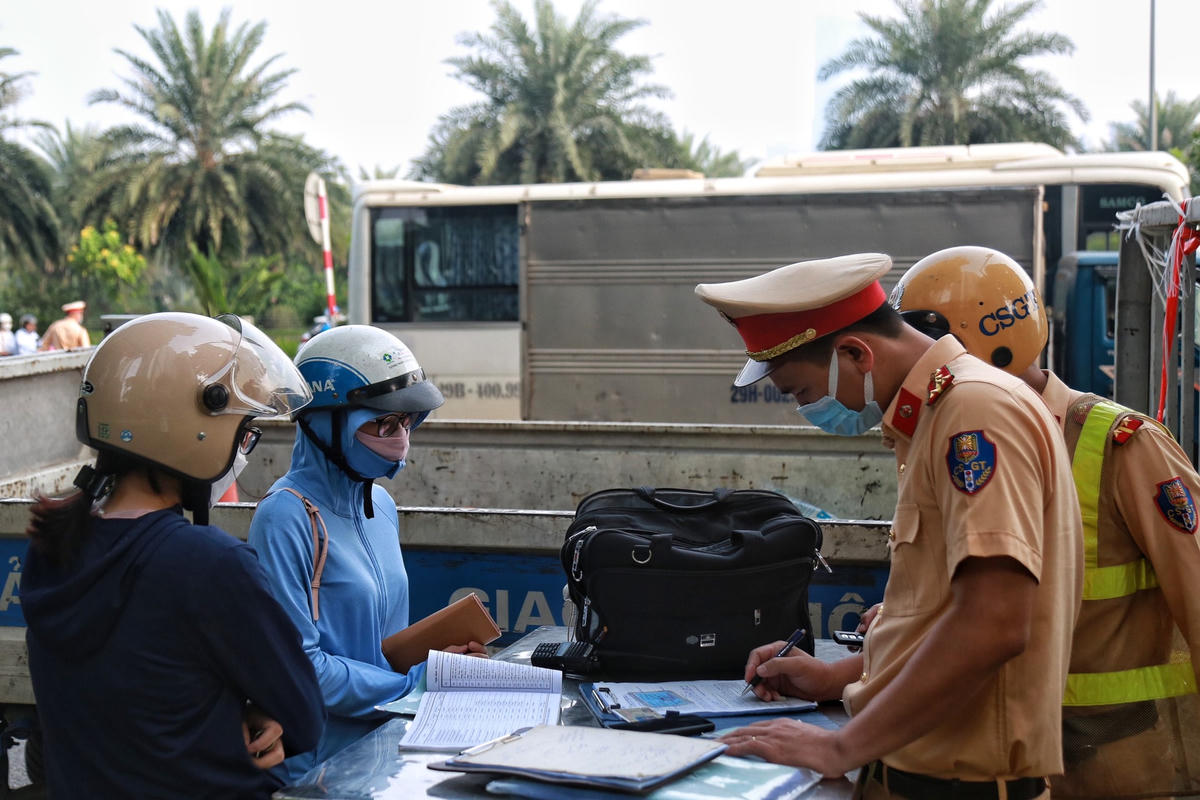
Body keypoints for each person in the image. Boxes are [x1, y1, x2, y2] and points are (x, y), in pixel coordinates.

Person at [694, 253, 1082, 798]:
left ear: (855, 352)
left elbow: (993, 621)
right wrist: (841, 676)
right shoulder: (937, 413)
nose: (810, 409)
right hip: (919, 768)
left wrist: (838, 748)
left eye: (802, 393)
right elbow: (938, 612)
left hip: (959, 784)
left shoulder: (972, 411)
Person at [891, 245, 1200, 797]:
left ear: (976, 342)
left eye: (926, 343)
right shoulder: (947, 441)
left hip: (1110, 771)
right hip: (1005, 769)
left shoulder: (1120, 445)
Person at [21, 312, 325, 798]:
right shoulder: (211, 566)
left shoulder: (53, 549)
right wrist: (255, 709)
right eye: (241, 430)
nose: (241, 447)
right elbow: (304, 716)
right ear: (190, 428)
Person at [248, 324, 488, 782]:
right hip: (321, 768)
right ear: (325, 422)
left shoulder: (381, 505)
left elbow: (385, 646)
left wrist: (439, 664)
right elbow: (303, 669)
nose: (398, 436)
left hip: (388, 749)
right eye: (381, 422)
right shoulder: (285, 517)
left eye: (404, 422)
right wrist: (414, 686)